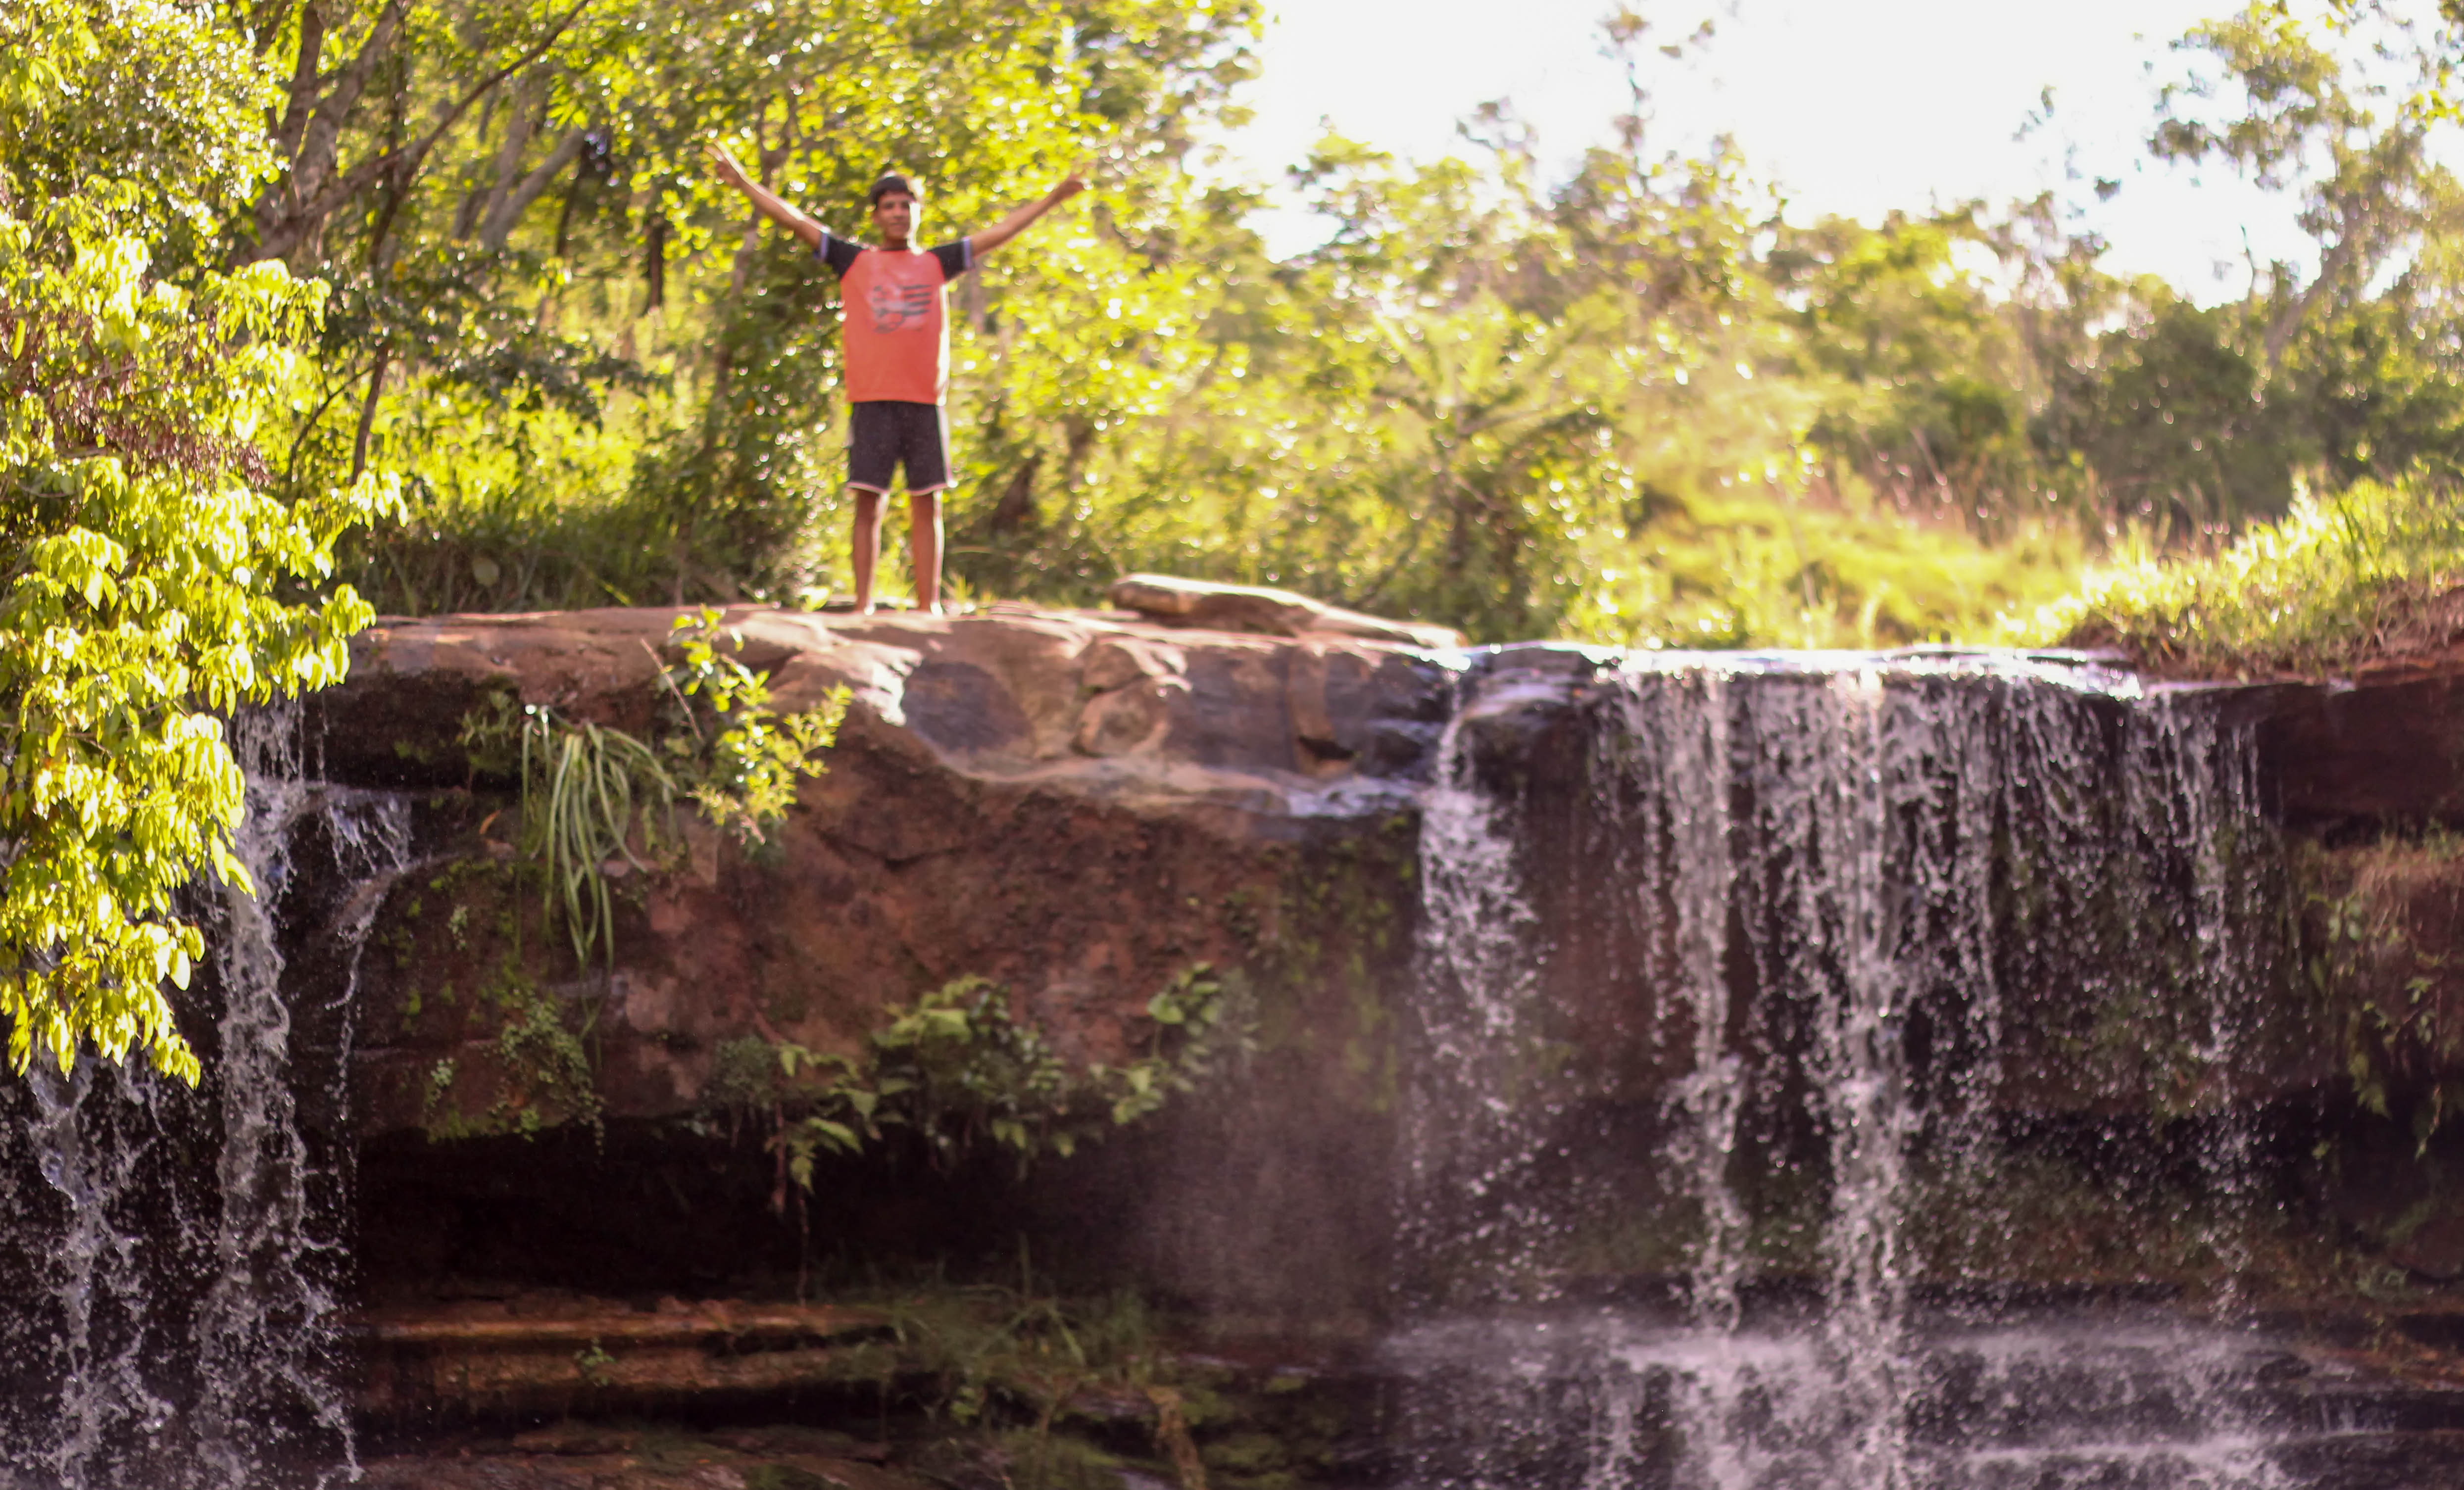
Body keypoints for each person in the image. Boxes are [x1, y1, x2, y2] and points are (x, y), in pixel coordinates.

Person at [705, 144, 1085, 615]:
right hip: (872, 400)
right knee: (869, 503)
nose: (899, 213)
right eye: (889, 206)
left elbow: (1002, 231)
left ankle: (929, 608)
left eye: (907, 205)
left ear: (917, 213)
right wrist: (743, 183)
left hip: (925, 402)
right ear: (876, 216)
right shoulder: (855, 261)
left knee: (929, 505)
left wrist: (1053, 198)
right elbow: (794, 219)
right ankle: (864, 607)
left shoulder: (937, 263)